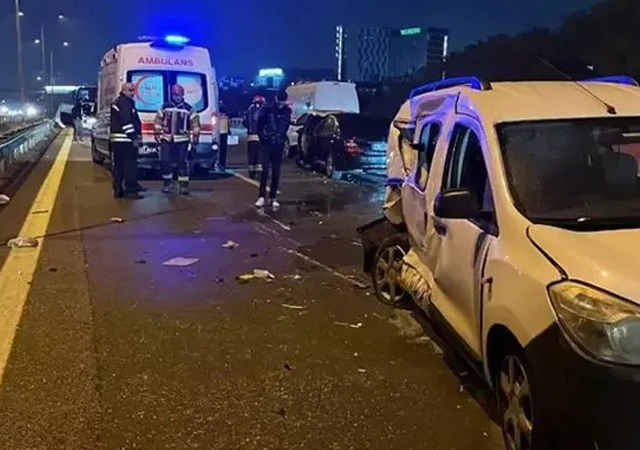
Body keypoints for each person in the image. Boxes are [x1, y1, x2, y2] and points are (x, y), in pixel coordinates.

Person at [154, 84, 200, 195]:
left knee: (181, 162)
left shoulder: (188, 109)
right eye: (175, 94)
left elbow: (195, 122)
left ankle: (183, 186)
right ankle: (167, 184)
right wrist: (157, 133)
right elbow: (158, 120)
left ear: (182, 94)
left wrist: (195, 135)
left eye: (178, 94)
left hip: (182, 140)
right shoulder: (165, 107)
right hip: (167, 138)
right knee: (165, 161)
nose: (176, 96)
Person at [255, 90, 291, 209]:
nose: (281, 104)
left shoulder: (286, 111)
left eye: (283, 102)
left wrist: (281, 138)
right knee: (265, 169)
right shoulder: (267, 109)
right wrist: (263, 137)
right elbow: (259, 124)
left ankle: (273, 197)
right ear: (276, 99)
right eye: (279, 102)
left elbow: (285, 126)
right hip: (267, 143)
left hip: (278, 144)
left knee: (276, 171)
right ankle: (261, 196)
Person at [110, 82, 143, 199]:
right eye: (130, 90)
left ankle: (118, 190)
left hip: (117, 140)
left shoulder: (118, 101)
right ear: (123, 90)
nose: (133, 93)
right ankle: (130, 191)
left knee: (118, 166)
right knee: (130, 166)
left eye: (134, 90)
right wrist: (134, 137)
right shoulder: (126, 102)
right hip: (126, 140)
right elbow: (126, 121)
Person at [242, 95, 265, 179]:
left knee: (251, 154)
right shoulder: (263, 110)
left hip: (251, 136)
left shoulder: (249, 110)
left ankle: (251, 171)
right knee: (260, 154)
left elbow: (244, 122)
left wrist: (250, 127)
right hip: (261, 136)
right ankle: (259, 171)